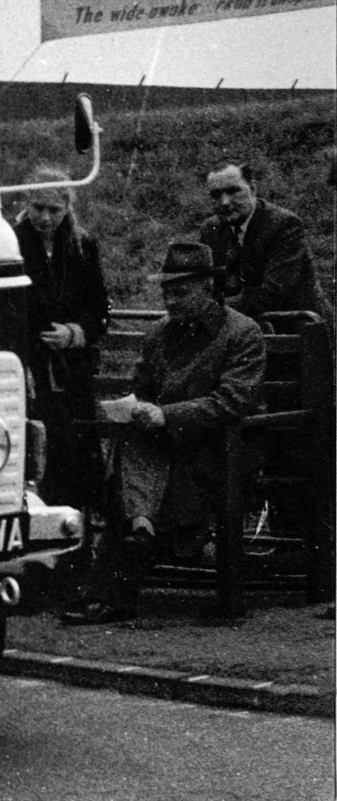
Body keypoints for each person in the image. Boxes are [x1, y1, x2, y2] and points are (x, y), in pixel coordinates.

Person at [61, 242, 264, 625]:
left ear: (208, 288)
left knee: (132, 471)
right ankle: (140, 531)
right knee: (134, 438)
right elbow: (144, 387)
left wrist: (166, 415)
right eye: (167, 292)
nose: (170, 301)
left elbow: (232, 402)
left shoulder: (241, 333)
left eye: (181, 291)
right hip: (163, 449)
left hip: (221, 448)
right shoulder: (159, 333)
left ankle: (113, 579)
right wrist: (132, 406)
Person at [13, 166, 109, 511]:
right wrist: (19, 361)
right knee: (42, 448)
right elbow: (4, 311)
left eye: (54, 210)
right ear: (26, 203)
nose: (45, 217)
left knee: (78, 452)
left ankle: (81, 531)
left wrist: (75, 333)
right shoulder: (10, 244)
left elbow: (100, 308)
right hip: (31, 366)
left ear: (67, 207)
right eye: (38, 207)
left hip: (72, 369)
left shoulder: (82, 246)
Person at [198, 162, 330, 323]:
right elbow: (204, 285)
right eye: (216, 195)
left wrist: (209, 309)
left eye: (233, 191)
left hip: (297, 329)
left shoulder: (284, 224)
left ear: (253, 189)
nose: (224, 202)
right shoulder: (211, 229)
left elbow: (273, 293)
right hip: (241, 329)